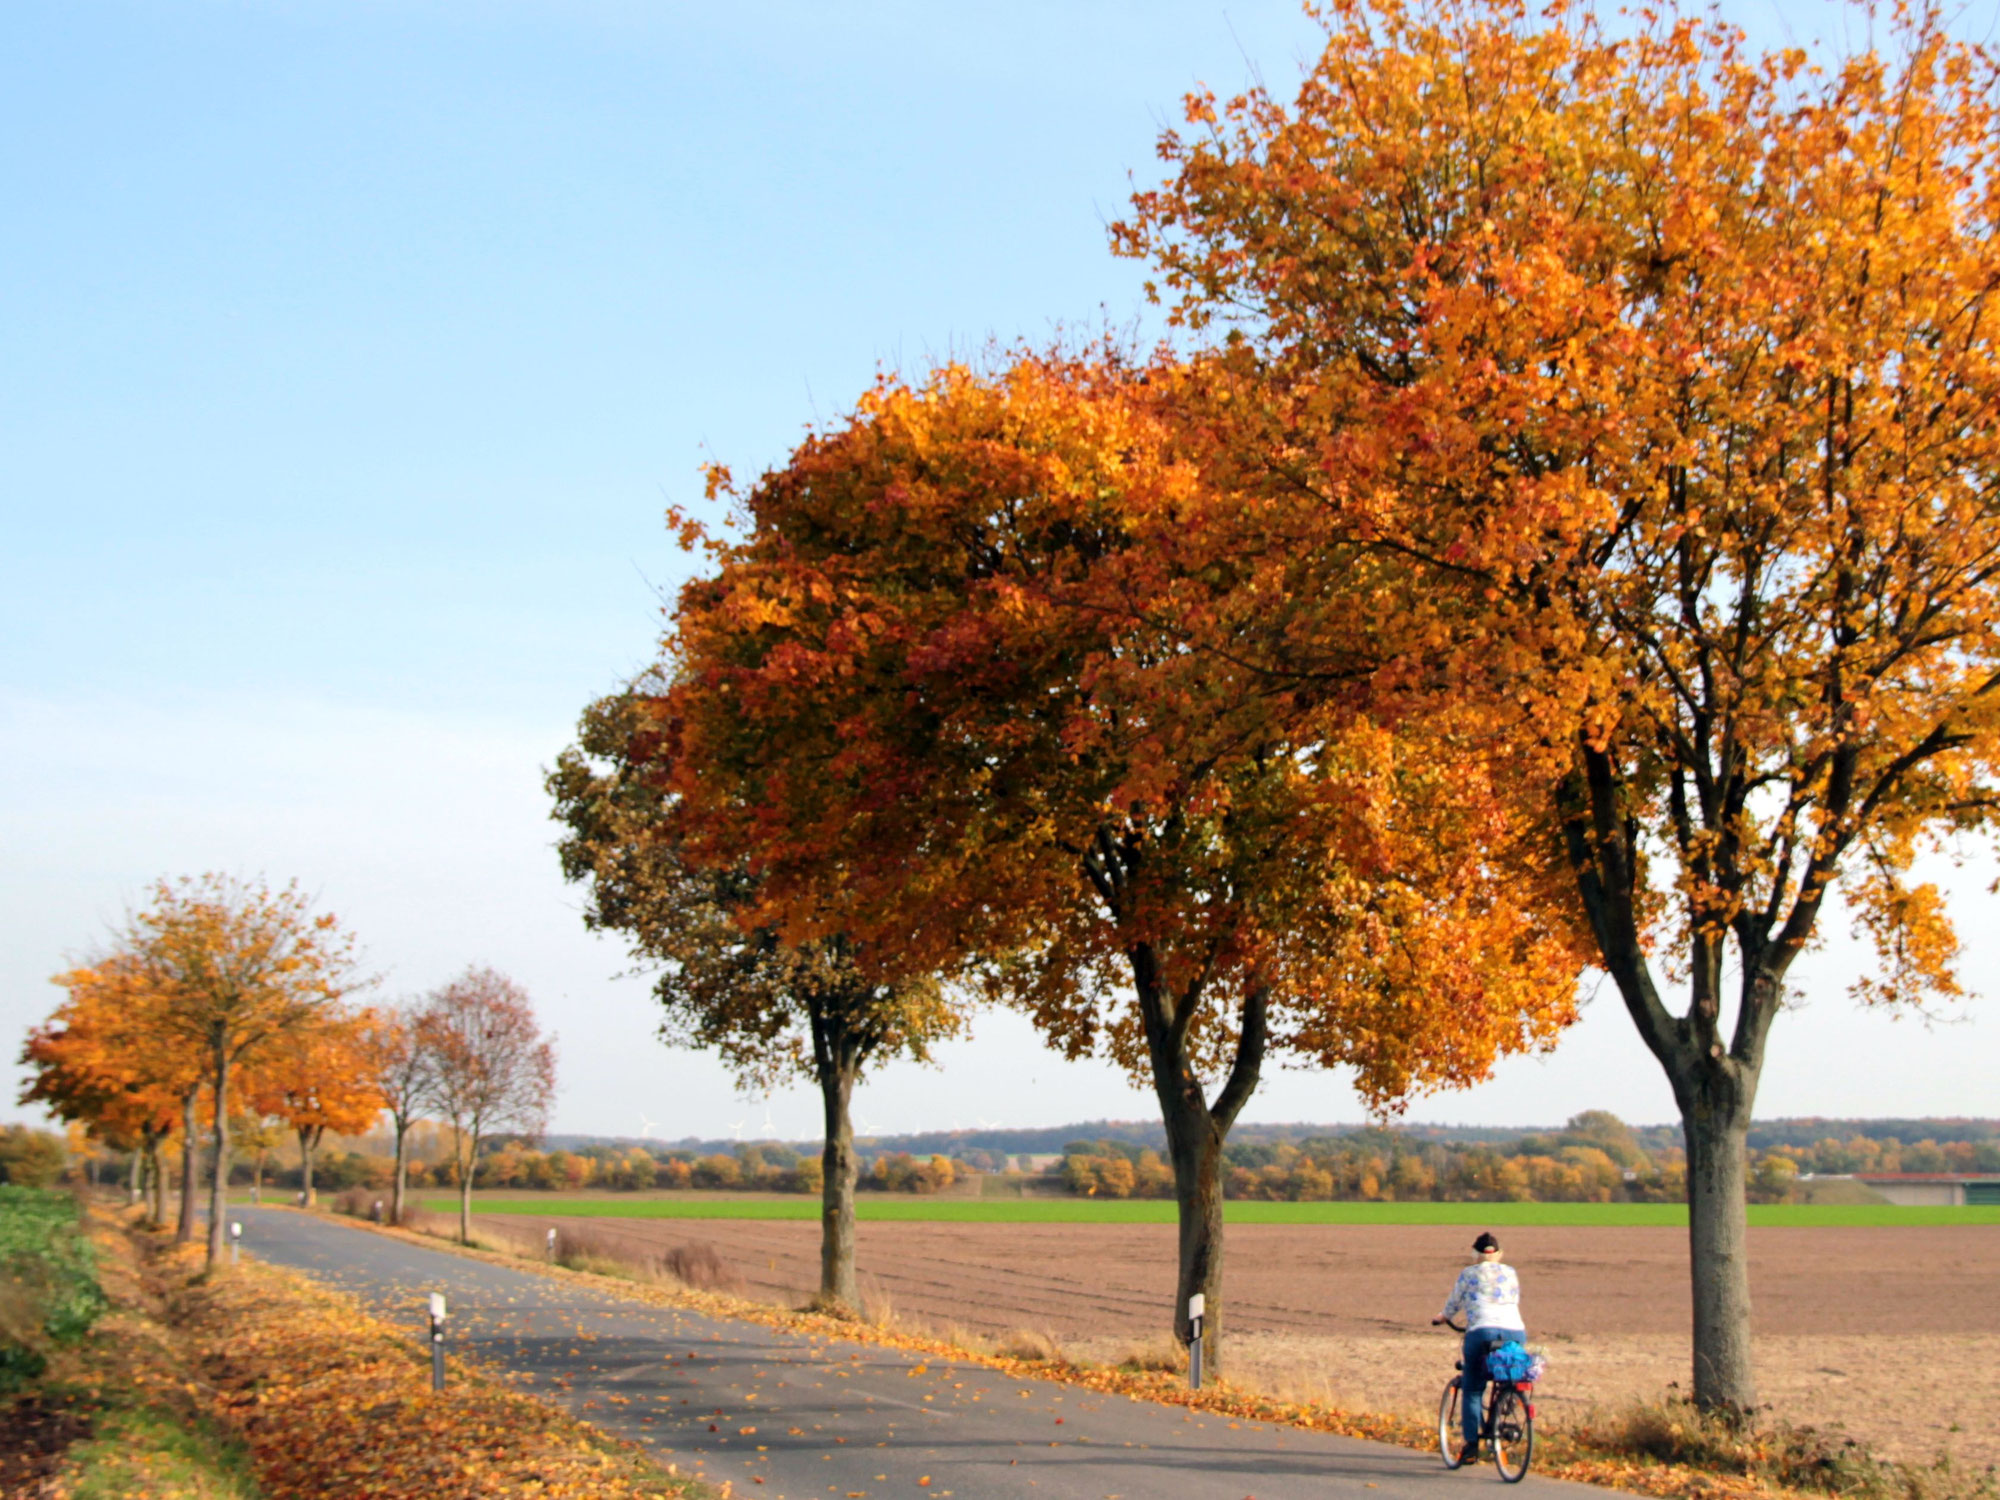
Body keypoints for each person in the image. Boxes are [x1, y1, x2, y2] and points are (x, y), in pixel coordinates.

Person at [1432, 1230, 1527, 1464]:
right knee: (1507, 1373)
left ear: (1474, 1253)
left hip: (1481, 1331)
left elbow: (1454, 1302)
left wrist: (1443, 1317)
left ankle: (1471, 1446)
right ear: (1499, 1254)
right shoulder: (1511, 1272)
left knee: (1473, 1388)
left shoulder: (1469, 1273)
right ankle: (1509, 1397)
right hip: (1515, 1331)